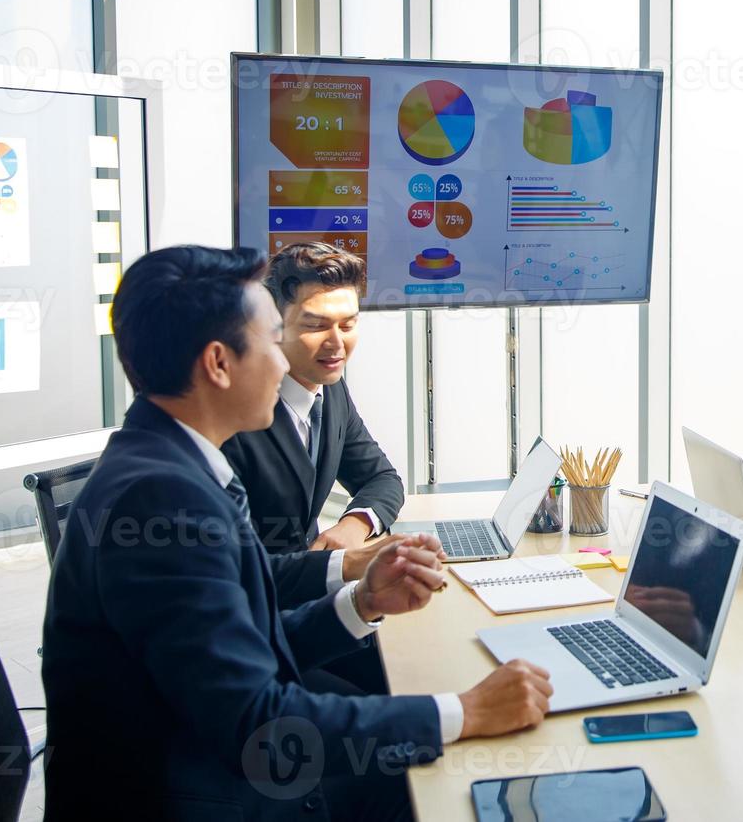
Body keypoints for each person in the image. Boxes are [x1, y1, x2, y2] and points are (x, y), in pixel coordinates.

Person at [42, 246, 553, 822]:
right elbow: (258, 726)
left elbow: (248, 641)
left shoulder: (171, 464)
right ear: (218, 363)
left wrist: (361, 602)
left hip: (204, 764)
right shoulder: (164, 503)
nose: (285, 365)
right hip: (198, 794)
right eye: (270, 340)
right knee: (453, 786)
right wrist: (461, 712)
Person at [223, 242, 404, 610]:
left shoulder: (330, 391)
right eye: (316, 325)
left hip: (311, 600)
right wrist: (345, 564)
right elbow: (232, 573)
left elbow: (383, 478)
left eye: (348, 324)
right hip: (263, 613)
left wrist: (354, 525)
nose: (336, 344)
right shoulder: (235, 417)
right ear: (272, 325)